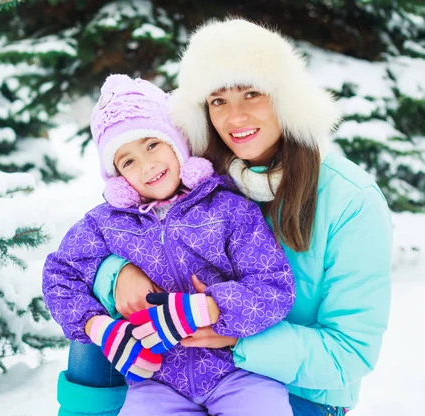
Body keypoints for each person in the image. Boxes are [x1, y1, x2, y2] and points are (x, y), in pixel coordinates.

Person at [57, 18, 393, 416]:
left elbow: (350, 353)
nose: (235, 118)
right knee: (94, 327)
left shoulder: (350, 201)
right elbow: (98, 247)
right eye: (218, 101)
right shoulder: (195, 173)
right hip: (174, 372)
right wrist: (117, 276)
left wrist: (232, 336)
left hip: (296, 388)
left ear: (284, 97)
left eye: (252, 93)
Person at [43, 73, 297, 415]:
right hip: (156, 383)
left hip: (239, 373)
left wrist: (205, 308)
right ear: (117, 176)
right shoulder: (106, 223)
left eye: (152, 145)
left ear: (177, 142)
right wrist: (98, 327)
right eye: (128, 160)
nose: (147, 165)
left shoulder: (228, 208)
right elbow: (59, 274)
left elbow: (273, 287)